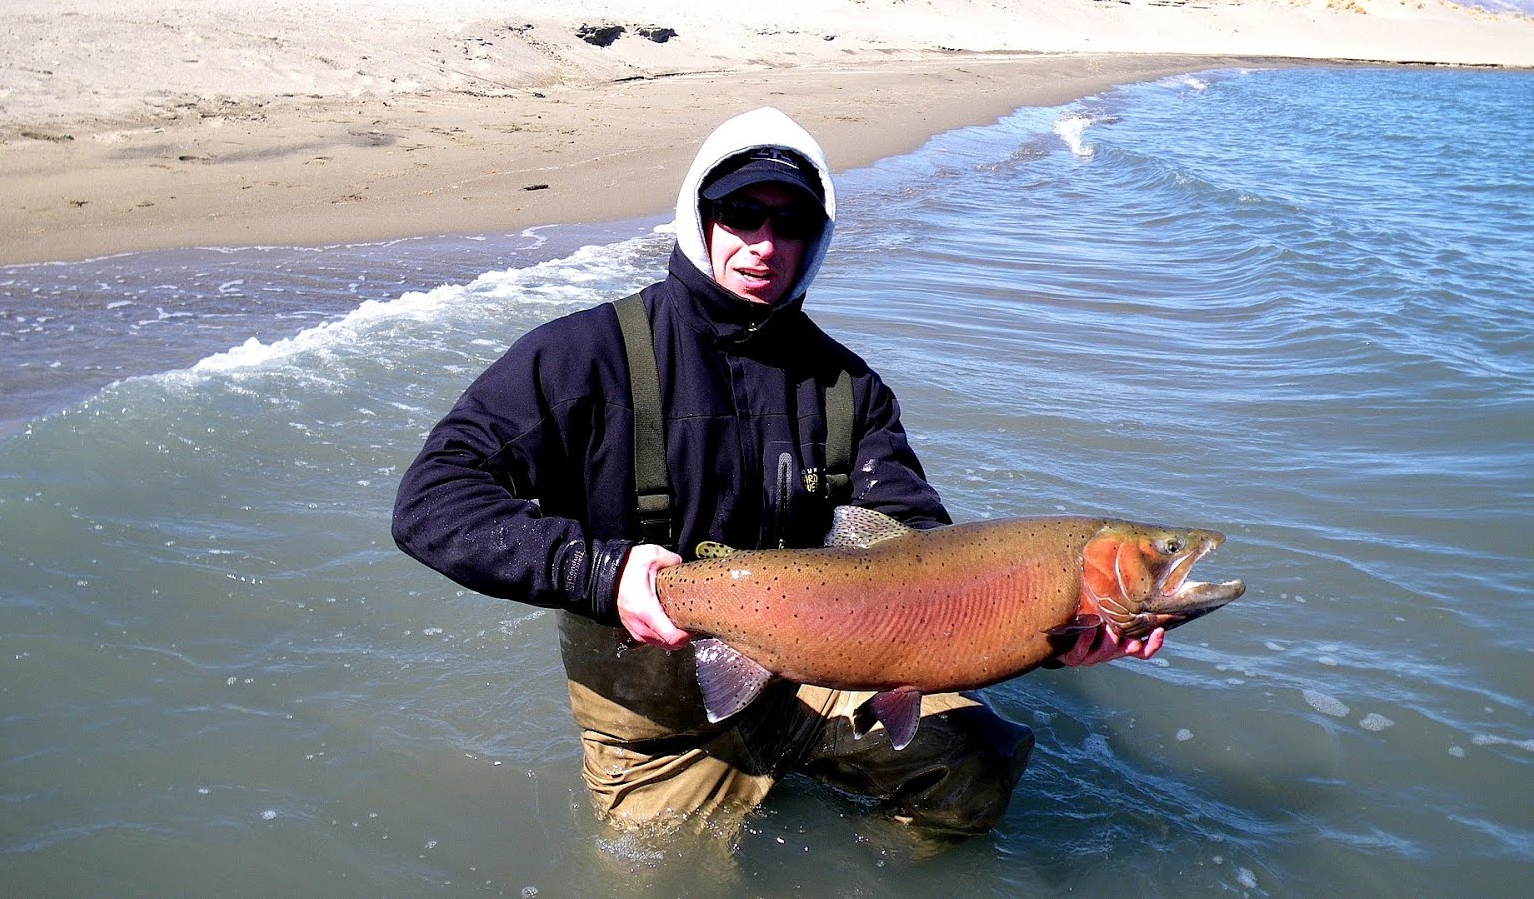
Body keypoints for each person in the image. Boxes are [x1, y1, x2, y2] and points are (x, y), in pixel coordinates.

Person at [392, 107, 1162, 842]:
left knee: (980, 768)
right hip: (659, 724)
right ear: (700, 218)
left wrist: (1039, 632)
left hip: (826, 673)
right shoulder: (582, 357)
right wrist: (604, 571)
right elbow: (432, 501)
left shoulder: (848, 389)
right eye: (740, 214)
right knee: (665, 875)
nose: (764, 243)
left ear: (816, 240)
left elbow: (923, 548)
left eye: (790, 223)